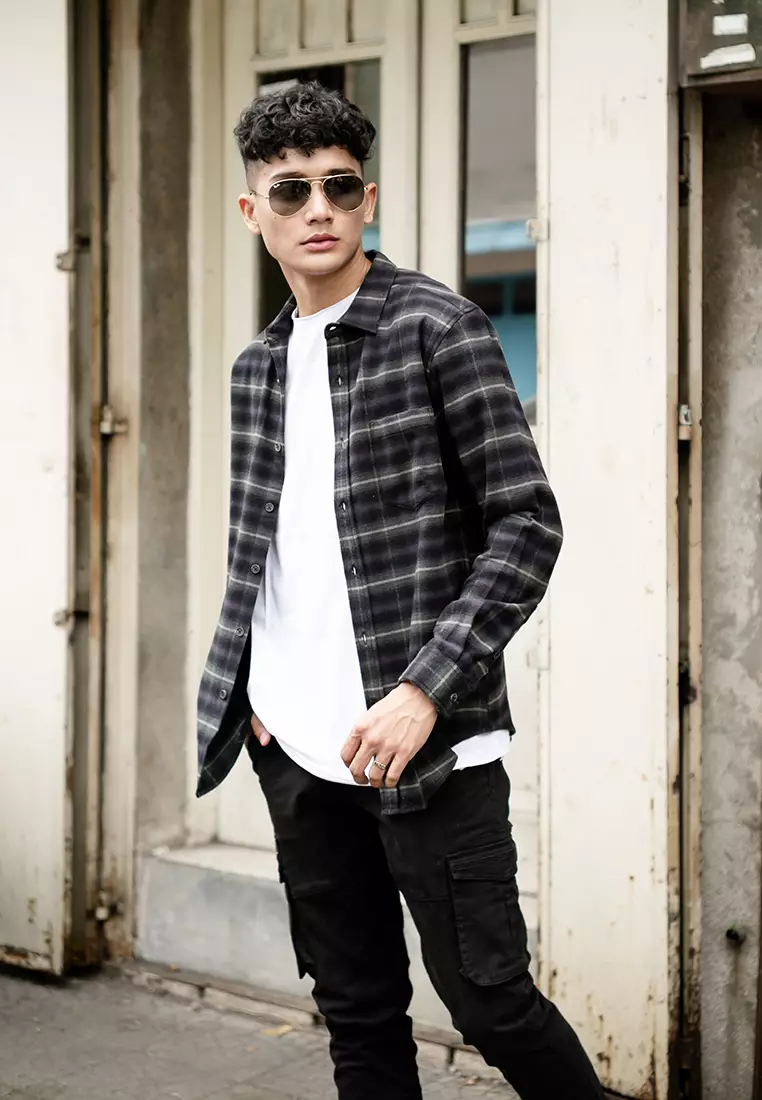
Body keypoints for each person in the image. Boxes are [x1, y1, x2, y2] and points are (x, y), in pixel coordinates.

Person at [196, 80, 605, 1100]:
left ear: (367, 199)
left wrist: (424, 688)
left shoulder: (438, 329)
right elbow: (269, 551)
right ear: (253, 211)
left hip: (433, 746)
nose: (319, 209)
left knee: (491, 1002)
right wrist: (259, 701)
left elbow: (527, 524)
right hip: (297, 749)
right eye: (291, 191)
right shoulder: (255, 370)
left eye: (340, 186)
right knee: (358, 1012)